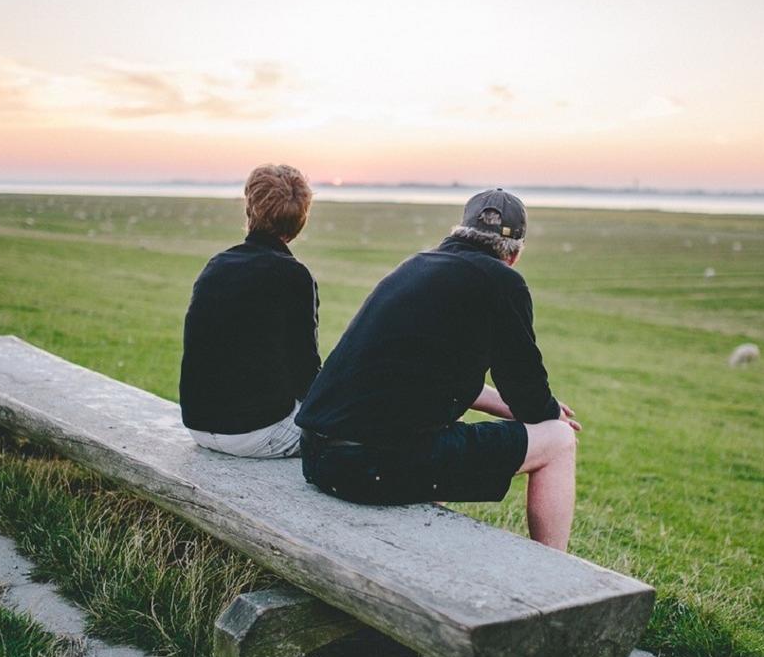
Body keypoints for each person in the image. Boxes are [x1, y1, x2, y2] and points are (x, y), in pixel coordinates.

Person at [295, 188, 581, 550]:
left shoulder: (417, 266)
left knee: (433, 440)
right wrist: (550, 416)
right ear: (516, 253)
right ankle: (555, 577)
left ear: (459, 231)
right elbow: (525, 388)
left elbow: (436, 377)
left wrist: (529, 408)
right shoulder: (502, 282)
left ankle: (410, 549)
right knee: (558, 442)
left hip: (319, 456)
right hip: (367, 467)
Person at [179, 164, 319, 458]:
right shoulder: (294, 276)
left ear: (249, 210)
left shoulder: (217, 264)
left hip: (198, 424)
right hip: (253, 432)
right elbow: (305, 372)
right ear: (300, 221)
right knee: (343, 427)